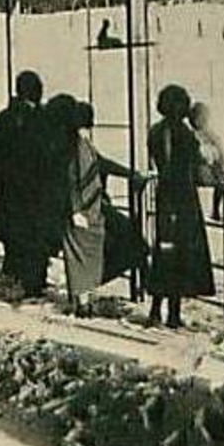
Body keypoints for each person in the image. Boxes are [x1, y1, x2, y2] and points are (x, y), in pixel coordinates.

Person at [61, 100, 145, 316]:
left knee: (86, 253)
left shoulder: (79, 142)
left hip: (90, 206)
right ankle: (83, 299)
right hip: (84, 208)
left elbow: (100, 164)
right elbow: (71, 179)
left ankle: (85, 296)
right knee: (86, 252)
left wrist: (130, 173)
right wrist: (75, 210)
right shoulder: (74, 145)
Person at [146, 84, 216, 329]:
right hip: (183, 199)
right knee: (179, 256)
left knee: (163, 253)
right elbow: (199, 170)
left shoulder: (155, 132)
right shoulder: (184, 134)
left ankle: (155, 310)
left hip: (164, 196)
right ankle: (173, 314)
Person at [0, 70, 58, 296]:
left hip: (16, 190)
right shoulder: (34, 118)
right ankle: (31, 282)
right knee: (30, 237)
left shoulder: (6, 117)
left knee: (20, 237)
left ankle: (24, 280)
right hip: (29, 190)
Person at [188, 101, 224, 222]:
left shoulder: (207, 135)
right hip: (198, 172)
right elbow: (204, 155)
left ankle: (216, 210)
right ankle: (216, 210)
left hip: (199, 171)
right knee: (223, 181)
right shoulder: (197, 136)